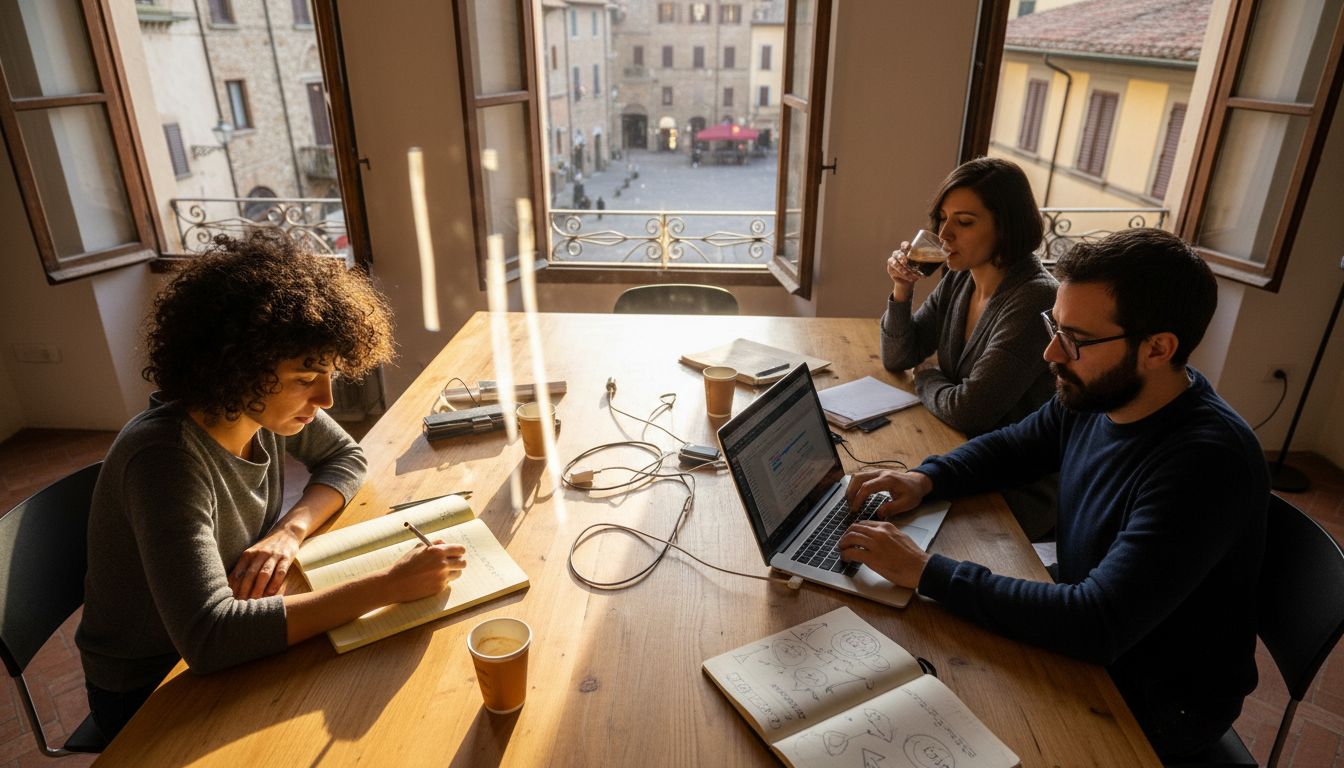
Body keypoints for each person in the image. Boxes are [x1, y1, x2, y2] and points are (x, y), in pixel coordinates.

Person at [840, 228, 1268, 761]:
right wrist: (926, 479)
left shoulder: (1205, 464)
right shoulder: (1100, 393)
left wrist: (926, 571)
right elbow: (1015, 446)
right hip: (1093, 633)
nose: (1051, 352)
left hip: (1152, 698)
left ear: (1158, 348)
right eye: (1054, 327)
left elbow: (1096, 623)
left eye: (1075, 339)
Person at [75, 232, 467, 739]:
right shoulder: (164, 459)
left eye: (330, 374)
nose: (325, 399)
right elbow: (210, 637)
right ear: (237, 369)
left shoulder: (257, 411)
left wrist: (290, 530)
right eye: (305, 379)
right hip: (150, 686)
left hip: (230, 624)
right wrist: (389, 586)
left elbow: (346, 457)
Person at [880, 157, 1058, 539]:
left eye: (963, 222)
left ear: (1006, 226)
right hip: (956, 454)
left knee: (882, 518)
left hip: (1008, 488)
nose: (944, 234)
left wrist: (926, 375)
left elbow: (969, 411)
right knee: (870, 487)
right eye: (942, 218)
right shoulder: (959, 279)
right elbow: (898, 356)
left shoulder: (1035, 298)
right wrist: (902, 289)